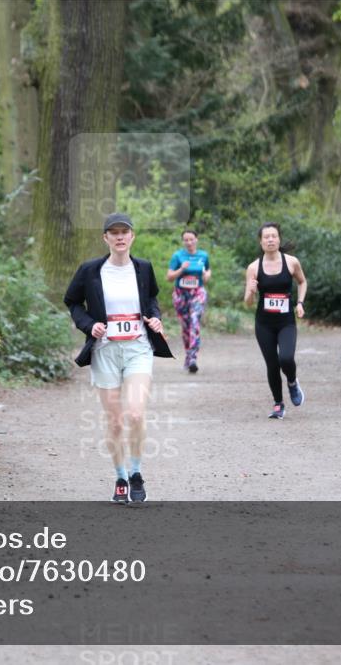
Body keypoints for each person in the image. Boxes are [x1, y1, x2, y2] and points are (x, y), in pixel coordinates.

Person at [64, 212, 173, 503]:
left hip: (138, 348)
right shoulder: (90, 270)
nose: (120, 237)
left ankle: (136, 473)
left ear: (132, 236)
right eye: (114, 233)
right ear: (106, 238)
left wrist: (155, 318)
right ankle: (120, 477)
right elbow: (72, 301)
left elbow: (151, 300)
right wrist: (89, 325)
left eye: (124, 232)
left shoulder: (143, 268)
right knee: (114, 422)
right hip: (105, 351)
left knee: (135, 414)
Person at [243, 222, 307, 420]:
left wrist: (300, 303)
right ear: (261, 242)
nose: (270, 240)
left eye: (274, 236)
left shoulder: (292, 262)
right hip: (264, 324)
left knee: (285, 358)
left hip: (286, 322)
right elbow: (248, 302)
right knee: (272, 364)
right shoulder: (254, 267)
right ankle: (278, 404)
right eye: (266, 237)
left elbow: (302, 282)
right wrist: (251, 291)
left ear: (279, 239)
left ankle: (292, 382)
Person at [166, 230, 211, 373]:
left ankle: (193, 358)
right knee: (186, 328)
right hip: (181, 294)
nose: (189, 242)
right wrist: (181, 269)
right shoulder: (178, 256)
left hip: (198, 292)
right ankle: (188, 355)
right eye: (186, 240)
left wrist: (206, 275)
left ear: (196, 239)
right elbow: (169, 277)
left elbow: (208, 270)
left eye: (191, 239)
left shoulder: (203, 255)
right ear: (183, 241)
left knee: (194, 320)